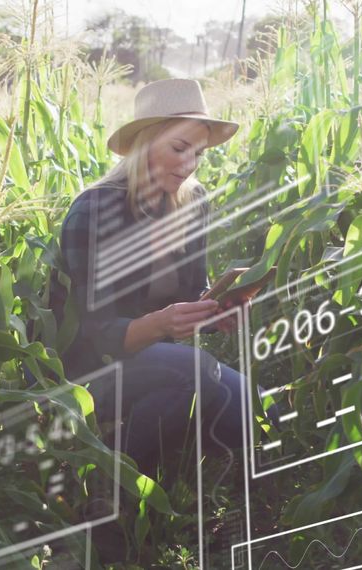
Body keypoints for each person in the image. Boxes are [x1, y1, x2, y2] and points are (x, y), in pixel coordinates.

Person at [51, 79, 249, 477]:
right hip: (91, 368)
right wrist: (162, 323)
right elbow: (93, 333)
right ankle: (112, 479)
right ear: (144, 143)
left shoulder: (193, 202)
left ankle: (174, 453)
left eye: (199, 153)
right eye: (179, 149)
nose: (189, 165)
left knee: (254, 413)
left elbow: (194, 288)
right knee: (197, 373)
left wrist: (212, 311)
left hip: (157, 357)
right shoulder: (93, 212)